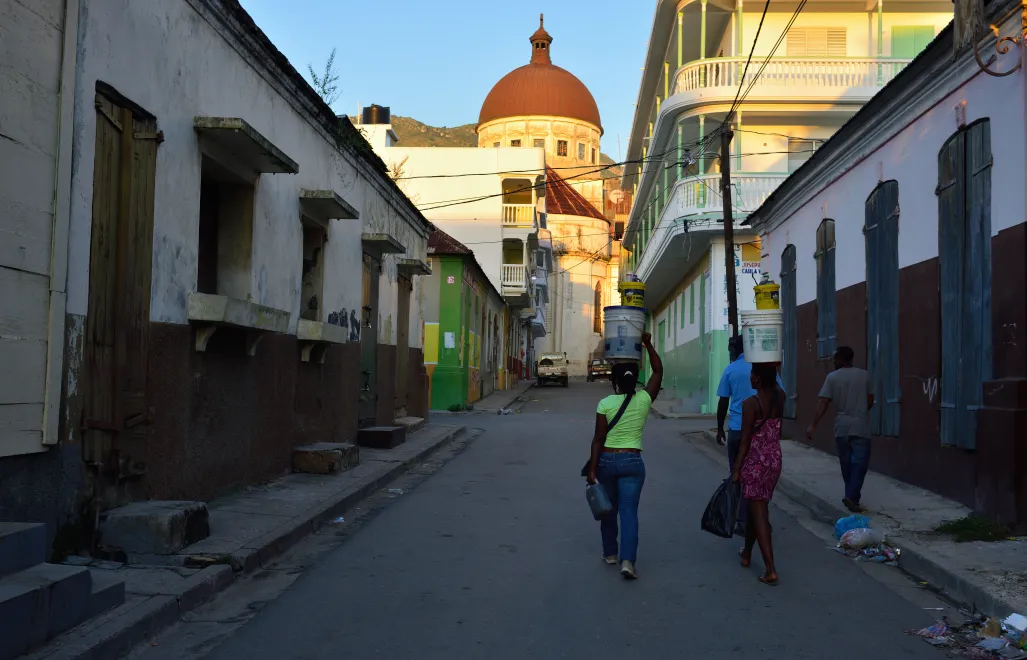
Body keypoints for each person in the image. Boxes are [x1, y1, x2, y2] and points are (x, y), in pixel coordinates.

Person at [586, 331, 663, 580]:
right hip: (633, 461)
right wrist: (648, 344)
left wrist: (592, 469)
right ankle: (627, 561)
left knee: (608, 509)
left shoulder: (605, 403)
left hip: (607, 461)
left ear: (615, 382)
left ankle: (610, 553)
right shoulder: (643, 399)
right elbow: (659, 372)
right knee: (629, 512)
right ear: (635, 380)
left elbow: (598, 439)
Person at [716, 336, 784, 534]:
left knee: (738, 476)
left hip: (737, 429)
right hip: (763, 433)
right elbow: (780, 394)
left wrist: (720, 427)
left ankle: (742, 518)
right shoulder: (766, 369)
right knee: (756, 478)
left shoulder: (730, 369)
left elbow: (723, 401)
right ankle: (752, 518)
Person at [732, 363, 784, 586]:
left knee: (759, 511)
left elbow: (744, 440)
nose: (750, 377)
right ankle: (746, 554)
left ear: (759, 379)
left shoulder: (750, 404)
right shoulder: (780, 397)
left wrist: (736, 470)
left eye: (753, 374)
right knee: (757, 506)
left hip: (755, 461)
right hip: (774, 459)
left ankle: (770, 568)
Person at [806, 346, 875, 513]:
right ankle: (852, 496)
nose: (833, 362)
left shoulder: (832, 378)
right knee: (859, 464)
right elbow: (870, 400)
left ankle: (850, 495)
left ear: (840, 359)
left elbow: (823, 402)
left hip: (841, 427)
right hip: (861, 426)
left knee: (846, 463)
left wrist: (813, 425)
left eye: (834, 359)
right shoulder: (865, 375)